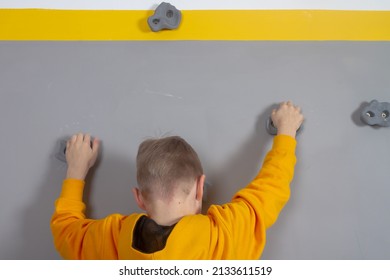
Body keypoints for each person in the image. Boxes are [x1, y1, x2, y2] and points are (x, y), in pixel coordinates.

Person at [51, 101, 304, 259]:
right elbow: (272, 186)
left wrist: (76, 168)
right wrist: (286, 131)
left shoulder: (112, 239)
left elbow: (65, 230)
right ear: (200, 188)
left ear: (139, 198)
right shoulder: (224, 235)